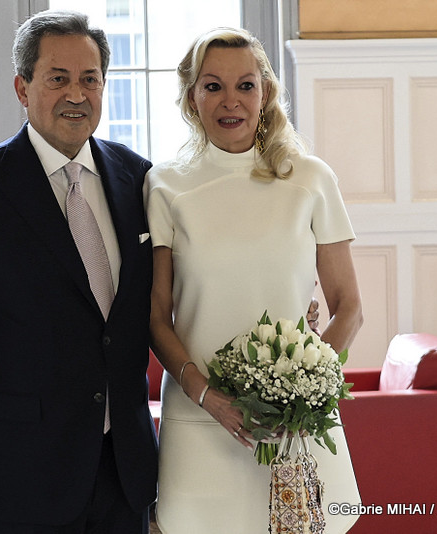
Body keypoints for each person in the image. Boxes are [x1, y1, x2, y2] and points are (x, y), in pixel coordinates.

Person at [0, 10, 158, 533]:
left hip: (123, 467)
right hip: (18, 473)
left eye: (90, 79)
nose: (77, 94)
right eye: (57, 78)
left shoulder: (137, 178)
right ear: (22, 88)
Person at [147, 27, 364, 533]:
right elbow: (158, 318)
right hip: (200, 416)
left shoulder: (310, 178)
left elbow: (349, 306)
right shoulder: (164, 185)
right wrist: (207, 396)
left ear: (265, 93)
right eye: (212, 85)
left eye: (246, 85)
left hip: (295, 424)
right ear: (191, 96)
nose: (231, 101)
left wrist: (305, 394)